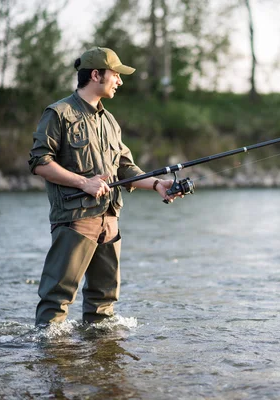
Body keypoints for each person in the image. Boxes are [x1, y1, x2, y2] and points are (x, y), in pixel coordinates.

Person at [29, 47, 180, 327]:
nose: (120, 81)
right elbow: (39, 162)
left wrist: (158, 183)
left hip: (110, 221)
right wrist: (83, 183)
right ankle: (49, 362)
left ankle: (102, 362)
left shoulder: (110, 121)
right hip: (76, 222)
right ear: (96, 74)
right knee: (56, 300)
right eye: (115, 75)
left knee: (104, 305)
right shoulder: (58, 113)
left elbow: (126, 167)